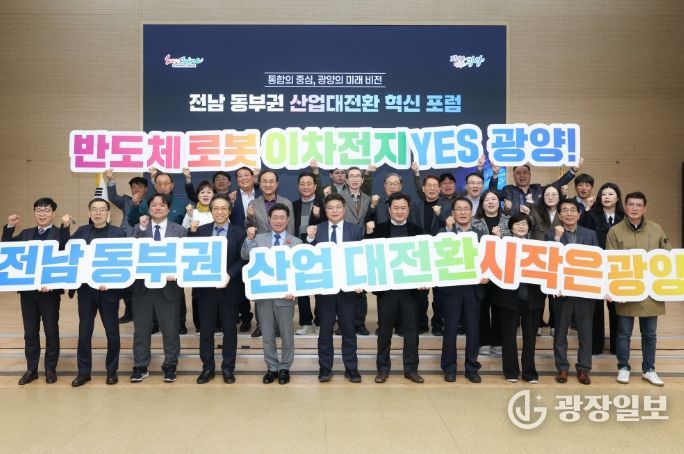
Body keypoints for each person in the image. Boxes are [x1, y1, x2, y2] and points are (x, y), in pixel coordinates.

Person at [3, 198, 70, 385]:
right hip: (28, 292)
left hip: (50, 293)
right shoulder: (26, 233)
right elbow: (7, 249)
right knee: (30, 333)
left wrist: (65, 228)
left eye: (46, 210)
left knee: (51, 332)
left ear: (53, 214)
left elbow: (66, 253)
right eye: (39, 210)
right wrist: (10, 227)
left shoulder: (59, 233)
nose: (42, 214)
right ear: (34, 213)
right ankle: (31, 369)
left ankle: (50, 369)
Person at [606, 191, 671, 387]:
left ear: (645, 208)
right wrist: (612, 288)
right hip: (626, 289)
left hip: (650, 291)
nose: (634, 208)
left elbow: (668, 256)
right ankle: (623, 367)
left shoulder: (656, 229)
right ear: (625, 207)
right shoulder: (615, 231)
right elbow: (609, 262)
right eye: (631, 204)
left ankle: (649, 369)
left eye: (639, 205)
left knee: (649, 334)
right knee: (623, 333)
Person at [366, 192, 425, 384]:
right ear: (389, 209)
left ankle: (411, 369)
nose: (400, 211)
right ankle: (383, 369)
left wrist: (425, 279)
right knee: (384, 332)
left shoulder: (418, 231)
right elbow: (369, 257)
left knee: (411, 332)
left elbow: (424, 260)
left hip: (410, 291)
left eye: (403, 208)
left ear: (409, 209)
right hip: (387, 291)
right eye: (396, 208)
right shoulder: (379, 230)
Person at [306, 194, 364, 383]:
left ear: (344, 209)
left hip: (347, 290)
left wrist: (360, 282)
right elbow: (308, 258)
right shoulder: (318, 230)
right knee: (325, 331)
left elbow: (360, 258)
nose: (334, 210)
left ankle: (351, 368)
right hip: (325, 290)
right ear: (325, 210)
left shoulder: (355, 230)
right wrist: (309, 239)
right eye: (330, 207)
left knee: (349, 330)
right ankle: (325, 368)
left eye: (338, 207)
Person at [241, 203, 302, 385]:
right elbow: (245, 256)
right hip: (264, 297)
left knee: (287, 334)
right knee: (267, 335)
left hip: (286, 297)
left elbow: (299, 272)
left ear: (288, 220)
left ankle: (285, 368)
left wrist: (294, 290)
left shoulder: (296, 242)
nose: (278, 221)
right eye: (275, 217)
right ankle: (272, 367)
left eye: (282, 217)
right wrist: (249, 239)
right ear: (269, 220)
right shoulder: (259, 239)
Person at [129, 192, 187, 383]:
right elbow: (131, 251)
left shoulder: (179, 230)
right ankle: (140, 365)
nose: (158, 208)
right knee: (141, 330)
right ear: (148, 208)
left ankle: (170, 365)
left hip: (168, 288)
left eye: (162, 205)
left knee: (170, 330)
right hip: (143, 288)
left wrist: (177, 272)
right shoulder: (138, 228)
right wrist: (141, 229)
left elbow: (184, 257)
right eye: (154, 205)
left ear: (168, 209)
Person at [69, 198, 127, 387]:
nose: (98, 213)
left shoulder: (118, 234)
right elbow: (68, 253)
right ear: (89, 213)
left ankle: (112, 371)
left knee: (112, 331)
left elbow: (124, 261)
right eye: (94, 209)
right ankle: (83, 372)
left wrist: (111, 281)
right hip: (86, 290)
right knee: (84, 331)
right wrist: (64, 228)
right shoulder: (81, 232)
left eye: (102, 209)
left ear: (109, 213)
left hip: (108, 291)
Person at [189, 195, 246, 384]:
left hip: (230, 289)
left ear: (229, 211)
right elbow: (192, 255)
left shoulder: (239, 233)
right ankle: (208, 368)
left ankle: (228, 368)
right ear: (211, 210)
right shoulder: (201, 231)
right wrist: (191, 233)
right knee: (206, 331)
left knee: (230, 331)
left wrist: (229, 274)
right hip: (206, 291)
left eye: (223, 208)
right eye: (216, 208)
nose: (219, 212)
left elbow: (243, 259)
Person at [545, 198, 599, 385]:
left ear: (579, 214)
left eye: (573, 210)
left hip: (585, 292)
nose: (569, 213)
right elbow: (549, 260)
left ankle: (583, 369)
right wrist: (556, 239)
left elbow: (598, 263)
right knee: (560, 332)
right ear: (559, 215)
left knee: (585, 333)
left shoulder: (591, 234)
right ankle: (562, 368)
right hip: (562, 292)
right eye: (565, 210)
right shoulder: (550, 233)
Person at [440, 197, 487, 383]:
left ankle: (472, 368)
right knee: (450, 330)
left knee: (473, 330)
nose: (462, 212)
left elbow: (488, 260)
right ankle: (449, 368)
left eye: (466, 209)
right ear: (453, 213)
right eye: (458, 209)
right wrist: (448, 231)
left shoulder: (481, 235)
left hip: (474, 289)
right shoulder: (444, 233)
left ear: (471, 212)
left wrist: (487, 275)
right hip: (451, 290)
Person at [492, 212, 544, 383]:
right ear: (511, 227)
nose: (521, 226)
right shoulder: (502, 245)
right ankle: (511, 372)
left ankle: (530, 372)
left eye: (524, 224)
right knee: (508, 336)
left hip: (532, 298)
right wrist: (497, 240)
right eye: (517, 224)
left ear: (529, 227)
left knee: (530, 338)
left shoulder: (537, 247)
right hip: (508, 298)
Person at [580, 182, 625, 354]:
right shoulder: (590, 215)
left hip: (617, 268)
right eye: (604, 194)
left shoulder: (624, 217)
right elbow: (583, 234)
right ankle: (596, 346)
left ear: (617, 198)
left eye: (611, 194)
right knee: (595, 308)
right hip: (596, 268)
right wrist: (587, 209)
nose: (607, 197)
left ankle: (616, 346)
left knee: (617, 309)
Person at [104, 169, 148, 323]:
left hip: (144, 243)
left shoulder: (151, 202)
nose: (136, 190)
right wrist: (111, 179)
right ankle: (129, 311)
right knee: (126, 279)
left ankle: (143, 311)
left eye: (139, 187)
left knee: (141, 280)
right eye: (133, 187)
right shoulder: (126, 201)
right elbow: (112, 197)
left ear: (146, 189)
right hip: (127, 243)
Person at [472, 189, 511, 357]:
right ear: (482, 203)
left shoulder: (509, 220)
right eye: (487, 199)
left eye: (493, 199)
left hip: (501, 271)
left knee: (499, 308)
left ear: (499, 202)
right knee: (481, 307)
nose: (490, 202)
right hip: (481, 271)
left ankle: (497, 341)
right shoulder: (473, 222)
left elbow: (515, 243)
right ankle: (484, 341)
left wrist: (499, 238)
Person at [340, 166, 373, 335]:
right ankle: (343, 324)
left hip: (362, 247)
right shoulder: (339, 198)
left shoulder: (368, 199)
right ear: (346, 180)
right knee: (343, 288)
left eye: (357, 176)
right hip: (344, 245)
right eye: (351, 176)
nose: (354, 179)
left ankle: (360, 323)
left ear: (362, 179)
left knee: (361, 289)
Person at [409, 175, 443, 335]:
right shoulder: (415, 206)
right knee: (420, 294)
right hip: (420, 254)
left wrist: (440, 215)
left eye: (435, 185)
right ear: (423, 188)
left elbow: (449, 227)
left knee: (440, 294)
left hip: (440, 254)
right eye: (429, 185)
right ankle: (421, 323)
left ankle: (437, 324)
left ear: (440, 189)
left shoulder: (447, 206)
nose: (432, 188)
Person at [293, 171, 325, 335]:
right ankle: (305, 322)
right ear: (298, 187)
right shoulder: (293, 205)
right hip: (299, 249)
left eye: (309, 184)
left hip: (318, 250)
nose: (305, 187)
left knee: (320, 288)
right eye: (302, 184)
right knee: (302, 289)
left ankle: (319, 321)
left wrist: (319, 216)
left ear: (315, 186)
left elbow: (328, 225)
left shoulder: (324, 204)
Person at [182, 180, 216, 334]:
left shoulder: (219, 210)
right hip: (197, 258)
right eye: (202, 192)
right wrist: (190, 218)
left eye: (209, 192)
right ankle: (199, 325)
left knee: (215, 292)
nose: (206, 194)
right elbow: (183, 232)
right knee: (198, 293)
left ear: (214, 194)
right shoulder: (192, 212)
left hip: (215, 257)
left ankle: (216, 324)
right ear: (197, 195)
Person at [228, 166, 259, 333]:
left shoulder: (262, 193)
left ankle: (262, 320)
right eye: (240, 176)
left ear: (253, 177)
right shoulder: (231, 197)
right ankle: (245, 317)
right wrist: (230, 204)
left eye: (247, 175)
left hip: (261, 242)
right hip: (239, 243)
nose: (244, 178)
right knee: (240, 282)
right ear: (236, 180)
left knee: (260, 278)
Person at [488, 159, 581, 215]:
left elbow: (557, 184)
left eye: (525, 173)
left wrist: (573, 170)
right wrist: (495, 174)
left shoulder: (538, 189)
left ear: (530, 175)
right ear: (514, 176)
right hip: (515, 228)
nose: (522, 176)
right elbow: (493, 192)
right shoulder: (508, 190)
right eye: (518, 173)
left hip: (536, 230)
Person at [529, 184, 562, 332]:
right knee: (538, 295)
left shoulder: (563, 212)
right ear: (542, 197)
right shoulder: (535, 211)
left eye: (554, 194)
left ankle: (554, 324)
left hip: (557, 258)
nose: (550, 197)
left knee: (555, 294)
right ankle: (537, 324)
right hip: (538, 258)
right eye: (547, 194)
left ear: (559, 197)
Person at [245, 169, 295, 235]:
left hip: (282, 241)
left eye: (271, 182)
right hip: (260, 241)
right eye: (265, 181)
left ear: (276, 184)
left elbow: (290, 230)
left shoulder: (287, 203)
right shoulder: (253, 204)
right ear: (260, 184)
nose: (268, 185)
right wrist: (250, 217)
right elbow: (250, 227)